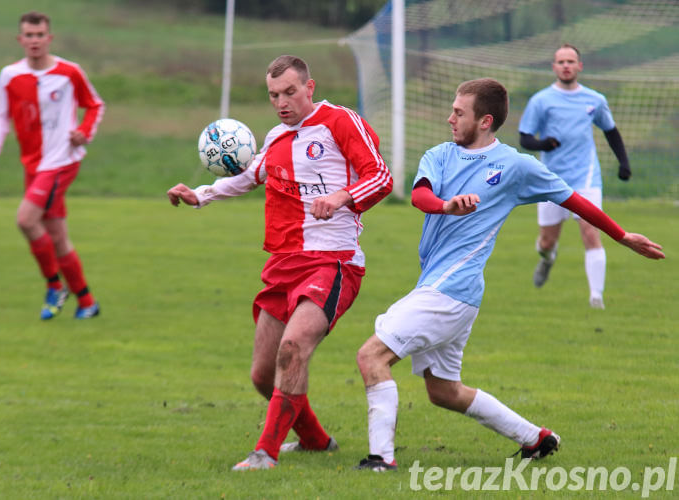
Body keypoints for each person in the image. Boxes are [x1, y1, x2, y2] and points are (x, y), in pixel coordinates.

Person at [354, 78, 663, 471]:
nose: (450, 118)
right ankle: (536, 439)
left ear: (485, 121)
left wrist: (621, 235)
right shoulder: (440, 154)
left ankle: (381, 460)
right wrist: (447, 206)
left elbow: (574, 199)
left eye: (459, 113)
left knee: (371, 357)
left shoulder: (516, 166)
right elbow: (419, 196)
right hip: (443, 288)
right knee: (443, 391)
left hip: (451, 290)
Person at [167, 55, 393, 471]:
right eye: (274, 95)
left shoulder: (340, 122)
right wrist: (201, 194)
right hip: (284, 264)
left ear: (310, 87)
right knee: (261, 375)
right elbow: (250, 176)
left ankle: (264, 453)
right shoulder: (275, 137)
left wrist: (341, 197)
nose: (282, 102)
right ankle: (315, 442)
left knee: (293, 349)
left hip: (333, 261)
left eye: (290, 92)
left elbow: (381, 175)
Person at [0, 11, 104, 320]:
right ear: (20, 39)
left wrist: (83, 133)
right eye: (29, 35)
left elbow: (95, 105)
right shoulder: (9, 76)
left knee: (25, 220)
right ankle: (87, 301)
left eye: (40, 35)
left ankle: (54, 285)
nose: (34, 41)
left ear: (49, 38)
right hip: (33, 165)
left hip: (61, 161)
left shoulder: (69, 72)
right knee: (57, 234)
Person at [519, 44, 632, 309]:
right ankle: (547, 258)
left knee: (591, 231)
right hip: (550, 180)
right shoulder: (541, 100)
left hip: (586, 177)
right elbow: (525, 138)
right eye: (561, 61)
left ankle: (596, 298)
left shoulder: (595, 100)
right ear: (554, 67)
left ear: (580, 66)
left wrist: (624, 163)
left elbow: (611, 131)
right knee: (547, 241)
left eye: (571, 61)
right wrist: (543, 144)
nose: (566, 66)